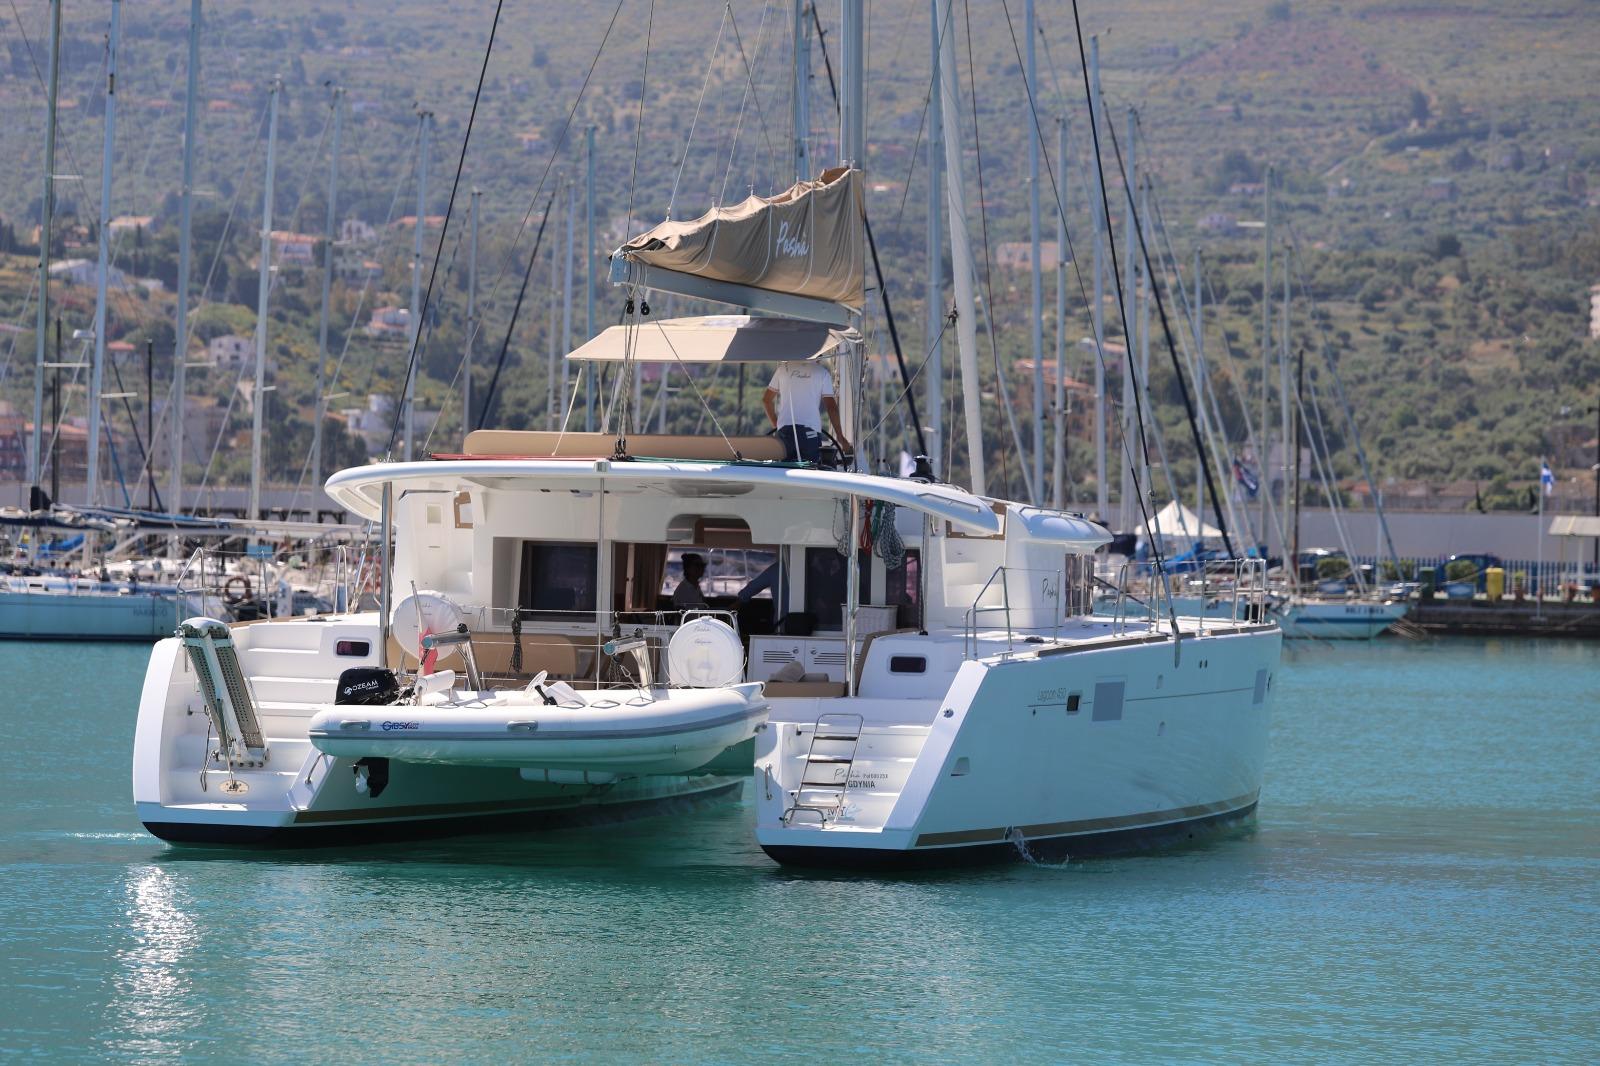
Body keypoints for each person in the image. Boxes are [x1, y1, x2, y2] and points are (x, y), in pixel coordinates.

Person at [764, 360, 850, 463]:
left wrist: (777, 425)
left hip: (784, 433)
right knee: (809, 469)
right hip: (809, 434)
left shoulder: (782, 369)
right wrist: (840, 437)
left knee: (782, 469)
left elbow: (766, 400)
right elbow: (831, 407)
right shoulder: (822, 373)